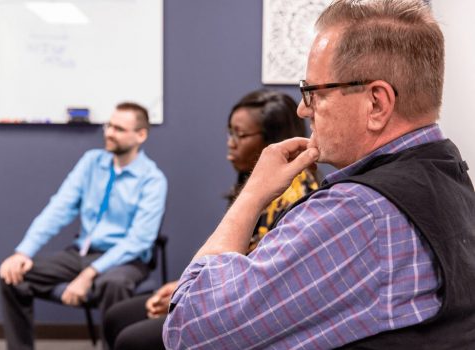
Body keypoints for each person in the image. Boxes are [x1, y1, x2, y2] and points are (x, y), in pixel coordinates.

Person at [163, 0, 475, 349]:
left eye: (313, 93)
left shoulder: (358, 212)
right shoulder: (450, 176)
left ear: (376, 104)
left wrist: (251, 196)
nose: (302, 109)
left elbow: (188, 329)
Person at [103, 90, 318, 349]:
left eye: (240, 135)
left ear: (272, 142)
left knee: (132, 340)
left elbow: (257, 281)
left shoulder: (293, 194)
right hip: (224, 288)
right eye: (230, 132)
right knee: (118, 315)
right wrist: (180, 287)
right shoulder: (258, 181)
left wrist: (188, 297)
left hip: (245, 307)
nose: (231, 142)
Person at [0, 102, 167, 350]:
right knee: (12, 275)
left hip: (126, 261)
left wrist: (89, 274)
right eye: (109, 125)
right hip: (81, 253)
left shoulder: (153, 180)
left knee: (113, 283)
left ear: (140, 135)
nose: (109, 132)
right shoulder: (91, 163)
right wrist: (23, 252)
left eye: (119, 129)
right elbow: (59, 208)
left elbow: (139, 240)